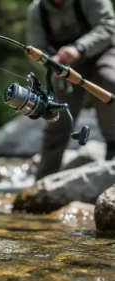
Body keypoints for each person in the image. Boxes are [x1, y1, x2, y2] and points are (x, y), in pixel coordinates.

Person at [26, 0, 115, 179]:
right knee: (56, 116)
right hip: (65, 67)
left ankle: (113, 153)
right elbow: (36, 49)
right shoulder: (37, 10)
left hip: (104, 54)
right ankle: (43, 180)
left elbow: (108, 26)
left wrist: (79, 48)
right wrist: (50, 63)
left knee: (109, 82)